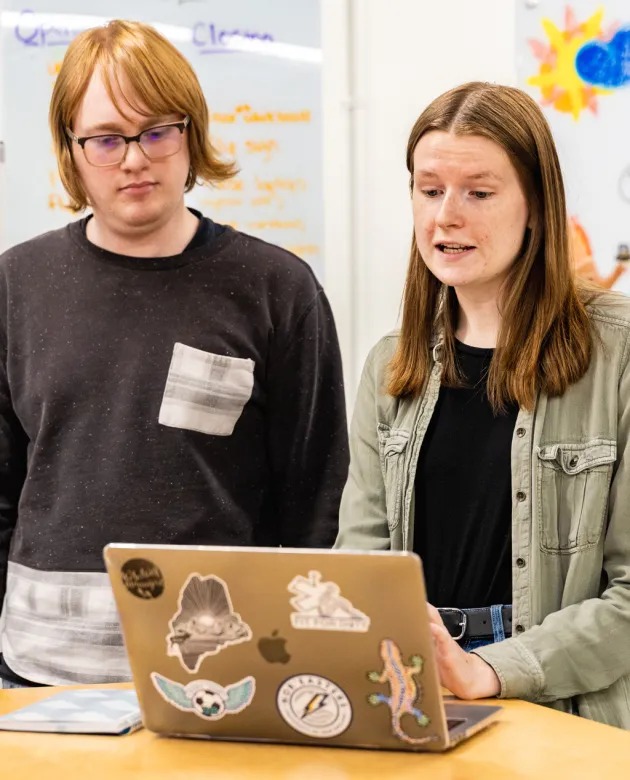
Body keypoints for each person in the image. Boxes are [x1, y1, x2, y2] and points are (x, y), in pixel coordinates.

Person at [0, 20, 348, 689]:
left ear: (192, 134)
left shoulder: (278, 289)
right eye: (106, 139)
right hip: (40, 670)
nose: (134, 159)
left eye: (157, 131)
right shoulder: (17, 285)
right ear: (71, 151)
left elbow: (316, 505)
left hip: (218, 671)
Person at [335, 81, 630, 729]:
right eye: (429, 189)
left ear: (537, 206)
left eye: (479, 192)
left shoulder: (620, 353)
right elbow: (359, 570)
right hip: (412, 691)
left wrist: (491, 668)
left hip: (565, 708)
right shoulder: (390, 365)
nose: (446, 216)